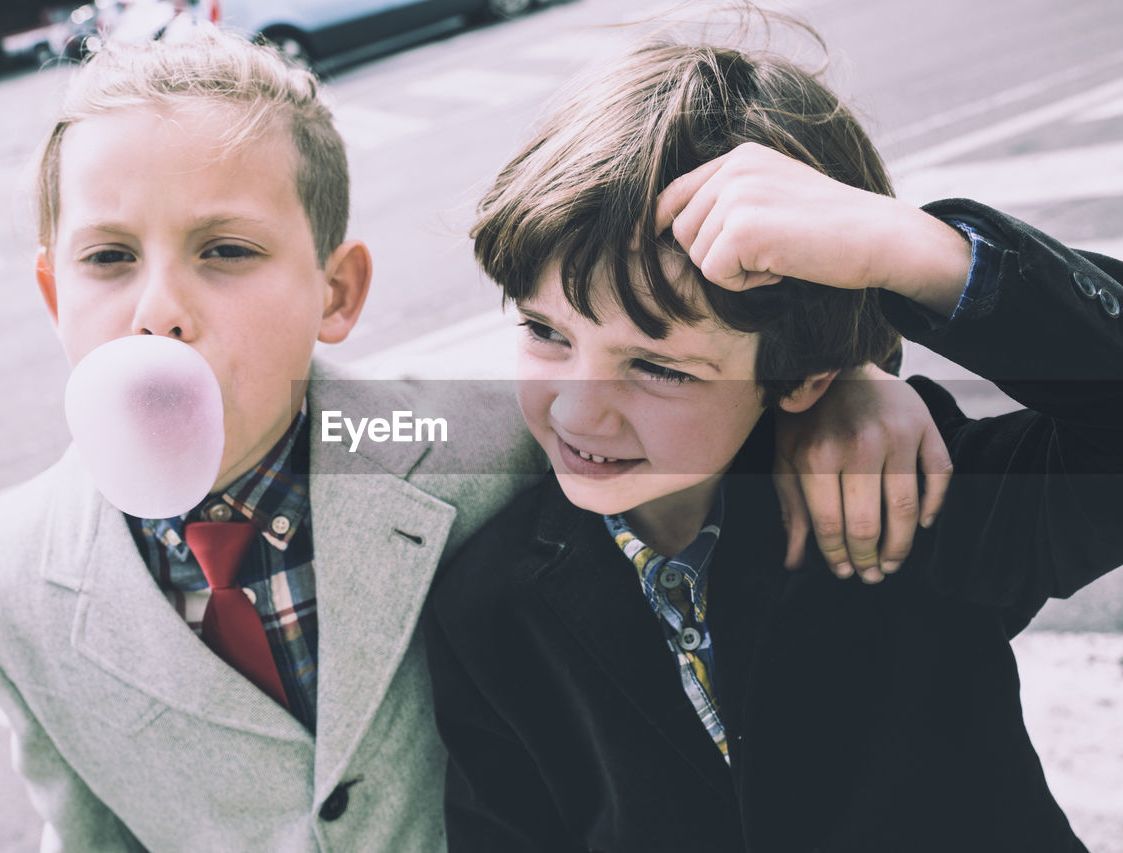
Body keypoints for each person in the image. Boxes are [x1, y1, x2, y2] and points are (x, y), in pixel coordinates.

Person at [0, 27, 950, 853]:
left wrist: (849, 383)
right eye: (107, 256)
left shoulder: (486, 444)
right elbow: (86, 831)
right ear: (50, 291)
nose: (159, 309)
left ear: (336, 293)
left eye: (226, 251)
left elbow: (677, 407)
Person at [423, 32, 1123, 853]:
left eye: (657, 368)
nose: (581, 412)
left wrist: (921, 253)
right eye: (546, 332)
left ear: (806, 376)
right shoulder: (490, 605)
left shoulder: (902, 489)